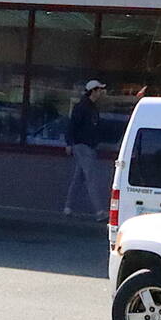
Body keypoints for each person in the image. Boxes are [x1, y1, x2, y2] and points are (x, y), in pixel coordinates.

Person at [63, 79, 109, 219]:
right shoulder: (83, 107)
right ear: (93, 91)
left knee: (79, 178)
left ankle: (68, 207)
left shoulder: (90, 107)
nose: (101, 92)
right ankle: (99, 211)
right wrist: (69, 143)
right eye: (99, 90)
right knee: (91, 178)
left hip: (87, 146)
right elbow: (72, 125)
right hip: (82, 146)